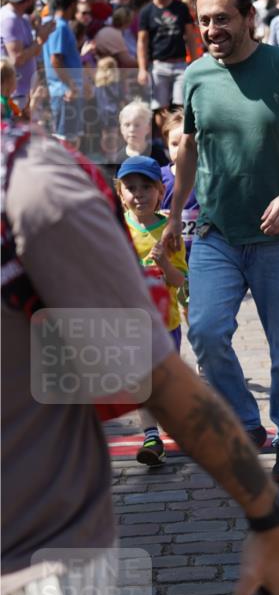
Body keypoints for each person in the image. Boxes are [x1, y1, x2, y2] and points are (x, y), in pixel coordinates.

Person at [1, 123, 279, 595]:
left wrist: (268, 515)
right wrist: (267, 516)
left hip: (29, 585)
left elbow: (138, 376)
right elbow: (143, 380)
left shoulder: (31, 186)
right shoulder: (30, 181)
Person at [162, 0, 279, 482]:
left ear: (248, 19)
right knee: (207, 333)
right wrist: (174, 216)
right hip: (216, 233)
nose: (212, 28)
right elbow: (190, 148)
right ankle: (244, 423)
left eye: (222, 18)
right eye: (204, 20)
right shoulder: (195, 76)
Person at [116, 156, 188, 463]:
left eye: (147, 186)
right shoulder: (116, 230)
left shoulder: (169, 232)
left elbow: (179, 279)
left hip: (166, 322)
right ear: (120, 193)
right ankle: (150, 436)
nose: (139, 194)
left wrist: (162, 262)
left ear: (161, 191)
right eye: (131, 188)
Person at [137, 0, 198, 110]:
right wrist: (142, 68)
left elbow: (190, 36)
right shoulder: (146, 12)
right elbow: (142, 42)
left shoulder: (181, 8)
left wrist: (195, 63)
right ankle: (165, 133)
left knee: (181, 107)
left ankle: (178, 132)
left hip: (180, 64)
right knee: (160, 107)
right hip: (158, 66)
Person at [0, 0, 54, 112]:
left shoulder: (22, 17)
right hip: (16, 95)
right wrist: (41, 40)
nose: (36, 4)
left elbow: (33, 51)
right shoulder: (9, 19)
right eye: (35, 0)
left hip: (26, 93)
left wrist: (40, 32)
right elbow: (17, 59)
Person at [42, 0, 84, 147]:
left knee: (70, 138)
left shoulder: (58, 25)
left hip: (65, 90)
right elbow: (56, 60)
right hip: (65, 92)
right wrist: (72, 86)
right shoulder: (60, 27)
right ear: (72, 4)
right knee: (65, 140)